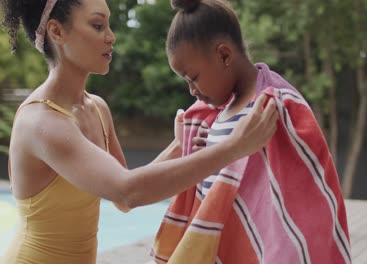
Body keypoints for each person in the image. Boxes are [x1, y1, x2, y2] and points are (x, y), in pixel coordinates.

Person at [0, 0, 278, 263]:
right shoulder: (42, 123)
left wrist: (178, 148)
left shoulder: (96, 108)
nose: (111, 36)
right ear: (57, 31)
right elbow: (127, 191)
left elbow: (123, 201)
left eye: (108, 25)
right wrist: (235, 147)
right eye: (97, 26)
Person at [150, 0, 351, 263]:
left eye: (193, 77)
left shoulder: (275, 107)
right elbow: (220, 180)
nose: (192, 90)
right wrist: (203, 153)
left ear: (224, 55)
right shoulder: (218, 115)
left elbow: (302, 195)